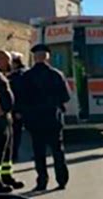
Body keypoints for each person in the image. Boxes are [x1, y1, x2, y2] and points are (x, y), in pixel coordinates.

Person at [21, 44, 70, 191]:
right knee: (57, 150)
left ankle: (42, 181)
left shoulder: (27, 76)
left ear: (35, 57)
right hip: (52, 118)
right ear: (48, 57)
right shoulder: (57, 75)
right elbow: (66, 97)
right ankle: (61, 180)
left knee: (39, 152)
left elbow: (22, 98)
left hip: (35, 119)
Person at [0, 51, 24, 193]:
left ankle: (6, 176)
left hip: (6, 115)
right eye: (7, 61)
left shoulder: (1, 73)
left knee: (7, 148)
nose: (9, 64)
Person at [8, 52, 27, 162]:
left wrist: (18, 110)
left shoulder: (16, 76)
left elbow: (18, 94)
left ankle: (13, 155)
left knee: (16, 133)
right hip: (31, 108)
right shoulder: (27, 73)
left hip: (18, 109)